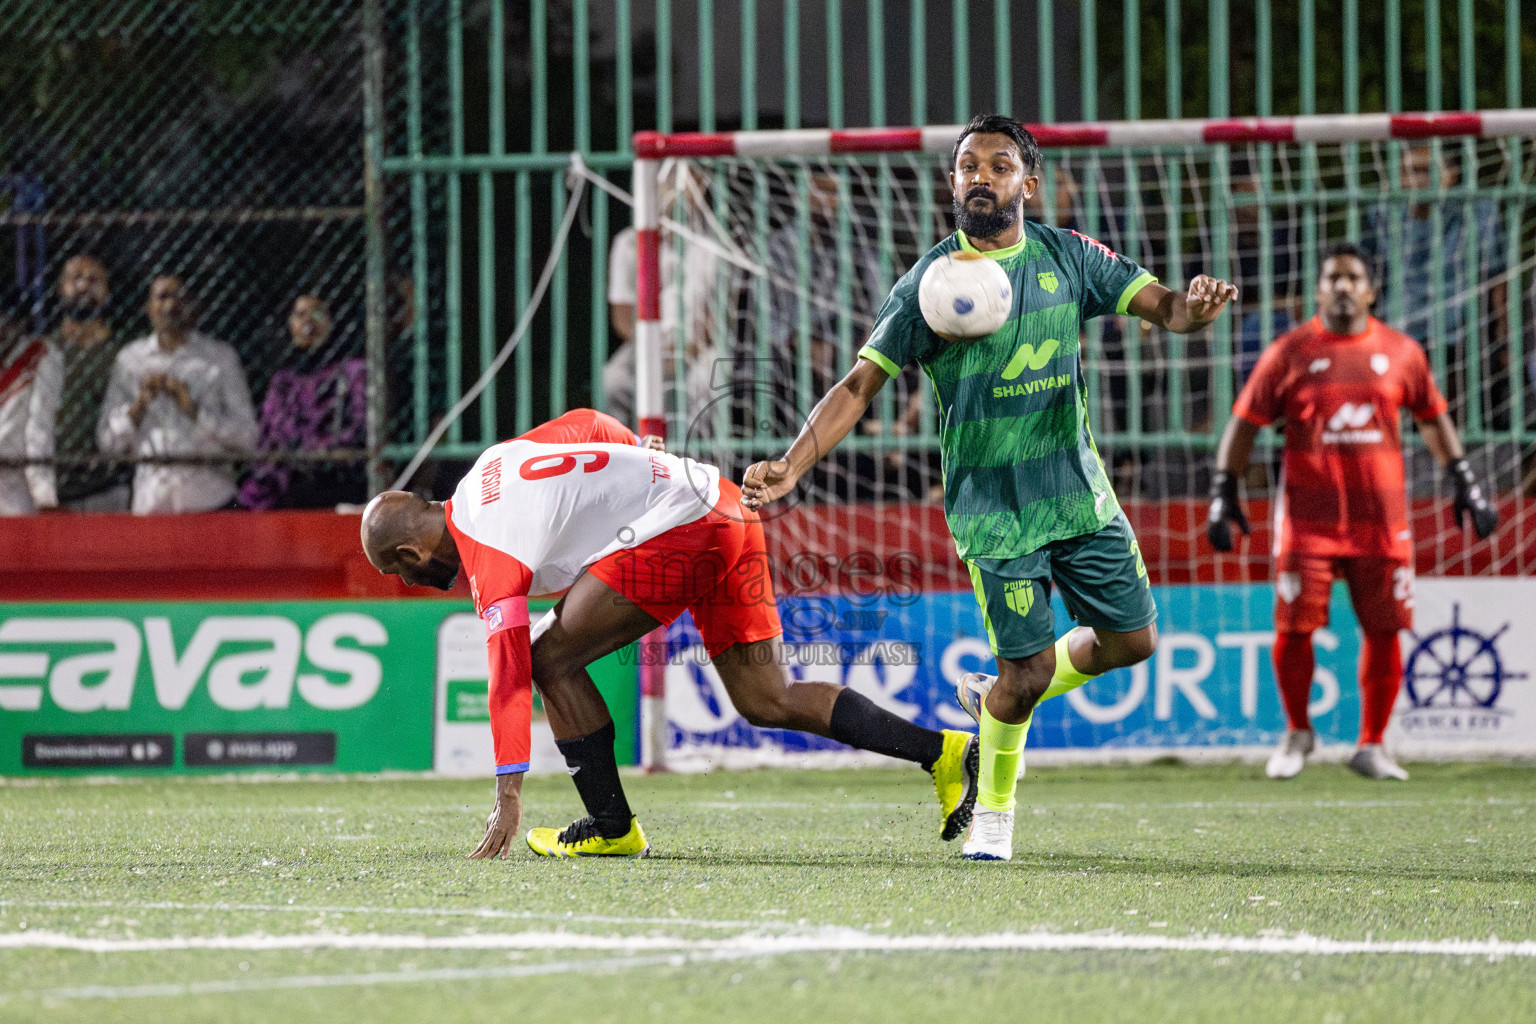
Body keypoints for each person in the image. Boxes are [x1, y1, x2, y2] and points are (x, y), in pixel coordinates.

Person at [741, 113, 1237, 862]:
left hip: (1077, 495)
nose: (982, 176)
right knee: (1028, 674)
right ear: (952, 183)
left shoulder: (1068, 258)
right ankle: (994, 818)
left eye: (999, 165)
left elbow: (1165, 308)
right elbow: (857, 384)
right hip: (994, 515)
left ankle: (986, 697)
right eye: (968, 165)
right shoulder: (927, 285)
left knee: (1135, 641)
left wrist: (1192, 310)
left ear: (1027, 184)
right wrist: (794, 462)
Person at [361, 408, 979, 859]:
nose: (412, 584)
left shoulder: (487, 550)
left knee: (548, 660)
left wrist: (509, 791)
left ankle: (610, 826)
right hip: (723, 505)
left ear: (414, 553)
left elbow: (507, 675)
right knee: (767, 700)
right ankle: (944, 753)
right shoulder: (490, 465)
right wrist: (640, 456)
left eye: (400, 573)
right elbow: (590, 423)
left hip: (685, 527)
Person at [1207, 242, 1499, 782]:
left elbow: (1433, 418)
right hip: (1306, 522)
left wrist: (1464, 480)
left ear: (1370, 290)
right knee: (1293, 630)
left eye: (1352, 277)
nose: (1342, 286)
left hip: (1383, 523)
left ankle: (1373, 745)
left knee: (1385, 631)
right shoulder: (1289, 352)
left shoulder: (1403, 352)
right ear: (1318, 289)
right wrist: (1224, 489)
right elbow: (1244, 423)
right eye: (1333, 278)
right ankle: (1297, 732)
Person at [1362, 144, 1506, 425]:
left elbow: (1497, 279)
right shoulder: (1380, 213)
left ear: (1451, 175)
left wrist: (1503, 339)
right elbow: (1371, 276)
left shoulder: (1480, 211)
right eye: (1406, 171)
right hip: (1400, 332)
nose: (1414, 180)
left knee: (1468, 407)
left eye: (1424, 170)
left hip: (1461, 333)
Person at [97, 273, 259, 513]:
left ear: (194, 306)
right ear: (148, 308)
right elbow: (107, 443)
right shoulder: (130, 360)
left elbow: (249, 438)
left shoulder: (219, 358)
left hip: (210, 498)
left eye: (180, 298)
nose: (171, 305)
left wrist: (195, 413)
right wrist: (138, 406)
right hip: (152, 502)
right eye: (162, 298)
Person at [604, 160, 717, 432]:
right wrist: (653, 351)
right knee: (613, 379)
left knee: (704, 382)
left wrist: (685, 350)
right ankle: (623, 455)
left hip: (698, 346)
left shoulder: (712, 248)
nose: (673, 192)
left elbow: (716, 318)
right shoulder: (628, 244)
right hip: (645, 344)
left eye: (684, 184)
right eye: (666, 184)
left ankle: (696, 461)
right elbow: (622, 317)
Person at [239, 294, 366, 509]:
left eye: (317, 312)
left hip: (335, 475)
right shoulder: (283, 380)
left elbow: (360, 426)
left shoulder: (352, 371)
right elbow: (268, 435)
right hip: (287, 479)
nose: (308, 321)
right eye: (300, 314)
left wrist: (318, 449)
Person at [30, 254, 131, 512]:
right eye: (76, 278)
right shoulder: (42, 352)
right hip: (50, 487)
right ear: (61, 288)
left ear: (107, 292)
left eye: (93, 279)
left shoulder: (124, 356)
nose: (84, 286)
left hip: (107, 487)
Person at [0, 287, 53, 515]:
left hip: (15, 484)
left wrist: (43, 493)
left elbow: (39, 426)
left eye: (8, 321)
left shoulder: (40, 355)